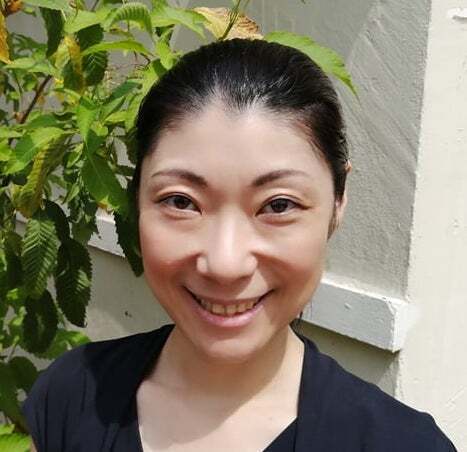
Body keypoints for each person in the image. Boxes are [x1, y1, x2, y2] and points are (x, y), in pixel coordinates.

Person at [22, 38, 457, 451]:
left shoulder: (403, 445)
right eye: (181, 202)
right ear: (136, 199)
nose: (225, 263)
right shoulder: (71, 396)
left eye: (279, 205)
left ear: (337, 202)